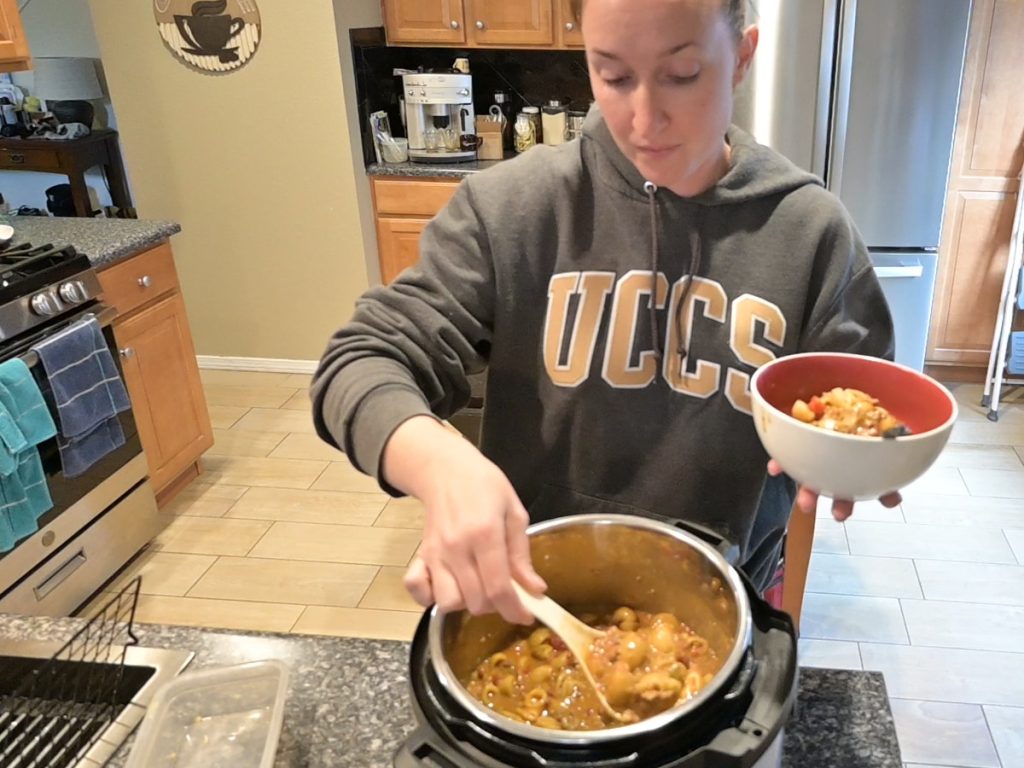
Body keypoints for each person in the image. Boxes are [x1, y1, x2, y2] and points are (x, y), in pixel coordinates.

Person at [312, 0, 898, 626]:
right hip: (533, 594)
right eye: (613, 76)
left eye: (681, 74)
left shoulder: (810, 232)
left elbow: (862, 400)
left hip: (725, 600)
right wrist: (441, 466)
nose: (644, 119)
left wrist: (855, 456)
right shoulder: (511, 209)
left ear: (742, 58)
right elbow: (360, 360)